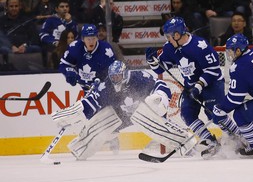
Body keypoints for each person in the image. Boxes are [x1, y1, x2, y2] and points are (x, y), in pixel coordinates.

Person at [145, 17, 242, 159]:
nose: (168, 39)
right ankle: (211, 141)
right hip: (191, 87)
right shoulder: (170, 47)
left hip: (212, 84)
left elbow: (213, 70)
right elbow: (160, 69)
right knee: (187, 114)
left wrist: (199, 86)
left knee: (215, 115)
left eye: (169, 36)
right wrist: (152, 61)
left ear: (177, 35)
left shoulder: (200, 46)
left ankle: (238, 137)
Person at [52, 60, 188, 160]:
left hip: (142, 112)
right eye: (113, 77)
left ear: (124, 73)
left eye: (118, 76)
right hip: (121, 116)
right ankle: (81, 147)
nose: (115, 79)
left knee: (149, 111)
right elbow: (90, 103)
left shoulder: (138, 77)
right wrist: (75, 114)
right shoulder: (106, 86)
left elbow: (159, 84)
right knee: (100, 125)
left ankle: (182, 141)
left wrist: (160, 96)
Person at [58, 23, 116, 92]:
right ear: (83, 39)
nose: (91, 42)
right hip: (81, 88)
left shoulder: (106, 50)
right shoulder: (74, 47)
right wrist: (68, 72)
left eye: (93, 38)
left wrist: (105, 86)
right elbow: (63, 65)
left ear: (97, 38)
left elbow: (113, 72)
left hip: (101, 89)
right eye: (88, 39)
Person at [39, 0, 78, 68]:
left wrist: (69, 22)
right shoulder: (50, 20)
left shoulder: (72, 21)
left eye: (67, 6)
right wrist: (54, 42)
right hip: (54, 48)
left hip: (69, 48)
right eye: (62, 7)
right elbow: (43, 35)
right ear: (56, 9)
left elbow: (75, 36)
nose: (65, 8)